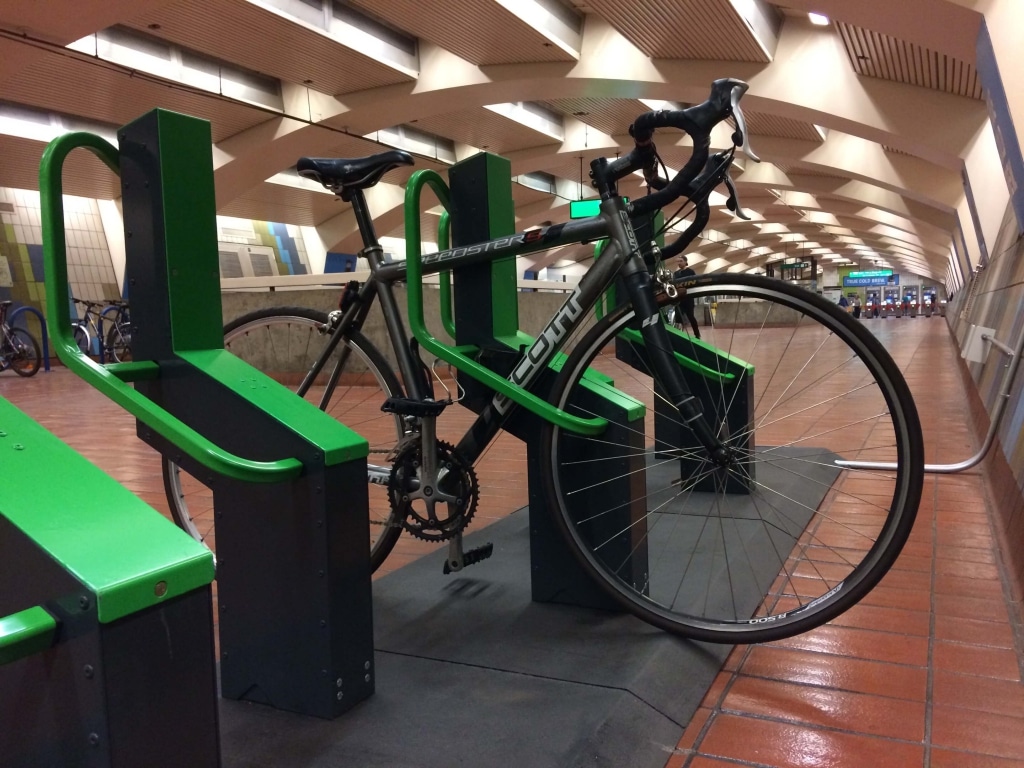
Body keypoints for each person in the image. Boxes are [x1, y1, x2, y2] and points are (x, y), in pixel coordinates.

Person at [672, 256, 700, 339]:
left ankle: (697, 334)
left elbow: (694, 283)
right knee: (678, 317)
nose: (679, 263)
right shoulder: (676, 274)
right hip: (679, 300)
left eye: (681, 261)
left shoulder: (690, 272)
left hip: (688, 299)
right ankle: (678, 335)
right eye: (678, 261)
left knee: (691, 316)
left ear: (685, 262)